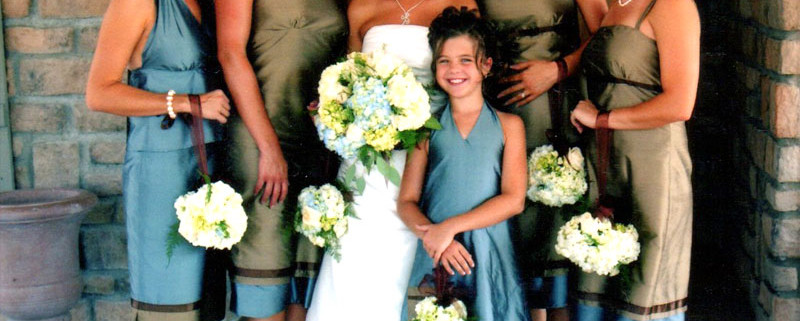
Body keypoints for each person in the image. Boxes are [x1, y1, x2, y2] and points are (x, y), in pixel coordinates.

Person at [306, 1, 476, 320]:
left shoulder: (459, 2)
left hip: (428, 153)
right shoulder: (361, 6)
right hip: (366, 160)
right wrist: (332, 112)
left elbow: (471, 74)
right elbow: (349, 77)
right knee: (352, 261)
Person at [86, 0, 230, 320]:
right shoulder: (137, 3)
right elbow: (99, 93)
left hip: (210, 163)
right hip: (161, 171)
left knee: (207, 303)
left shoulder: (211, 3)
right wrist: (184, 102)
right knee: (168, 300)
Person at [214, 1, 347, 320]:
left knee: (304, 282)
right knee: (265, 267)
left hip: (316, 141)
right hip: (260, 139)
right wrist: (270, 149)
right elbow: (230, 54)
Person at [569, 0, 699, 320]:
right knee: (601, 283)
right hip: (608, 162)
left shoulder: (673, 5)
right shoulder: (612, 5)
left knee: (645, 288)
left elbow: (681, 104)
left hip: (653, 167)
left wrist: (603, 118)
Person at [477, 1, 607, 320]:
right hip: (500, 104)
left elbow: (606, 35)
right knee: (517, 222)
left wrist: (559, 68)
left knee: (555, 224)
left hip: (556, 102)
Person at [398, 7, 529, 321]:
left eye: (465, 60)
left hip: (488, 252)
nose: (453, 69)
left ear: (486, 66)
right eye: (444, 61)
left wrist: (450, 228)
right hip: (438, 253)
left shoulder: (510, 125)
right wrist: (435, 237)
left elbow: (514, 200)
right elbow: (406, 202)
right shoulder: (426, 129)